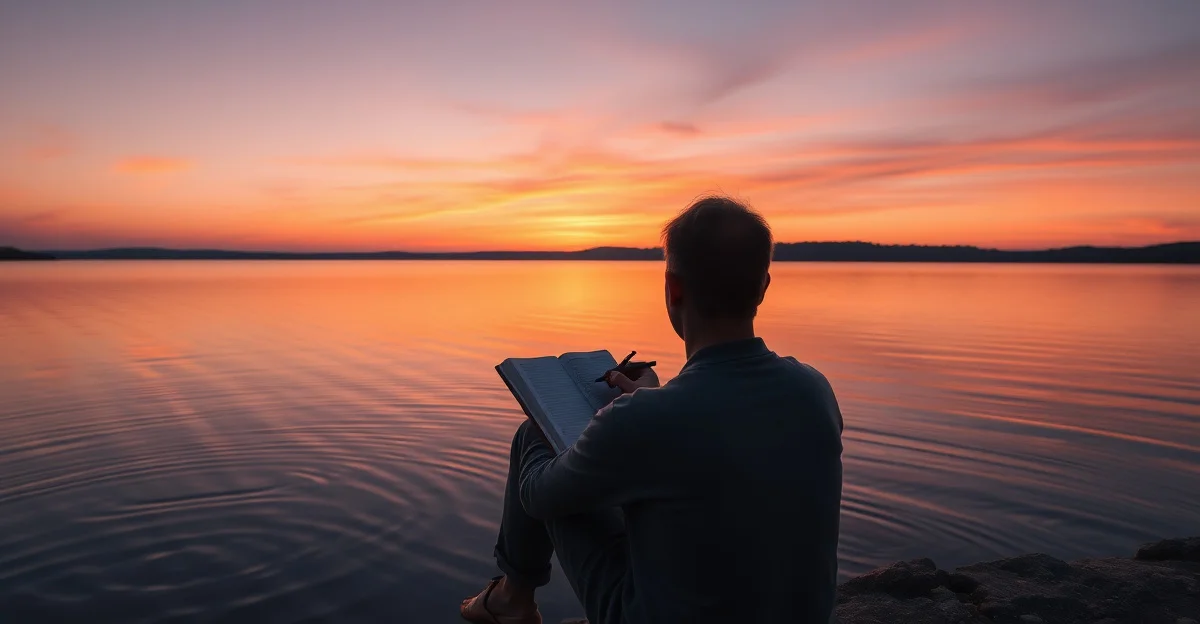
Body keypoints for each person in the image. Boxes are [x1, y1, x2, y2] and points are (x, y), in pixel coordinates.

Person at [461, 196, 844, 624]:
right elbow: (723, 436)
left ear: (673, 288)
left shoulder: (647, 419)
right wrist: (644, 401)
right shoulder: (814, 390)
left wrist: (569, 425)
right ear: (763, 287)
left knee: (534, 438)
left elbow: (536, 497)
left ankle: (513, 596)